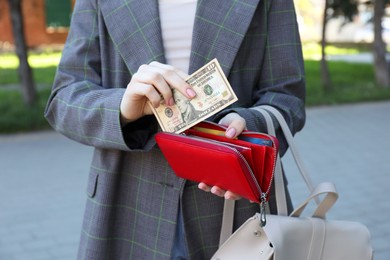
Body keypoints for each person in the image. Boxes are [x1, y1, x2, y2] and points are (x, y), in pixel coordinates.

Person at [44, 0, 305, 259]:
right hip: (126, 200)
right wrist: (122, 108)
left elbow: (286, 95)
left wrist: (247, 130)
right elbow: (64, 99)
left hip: (237, 207)